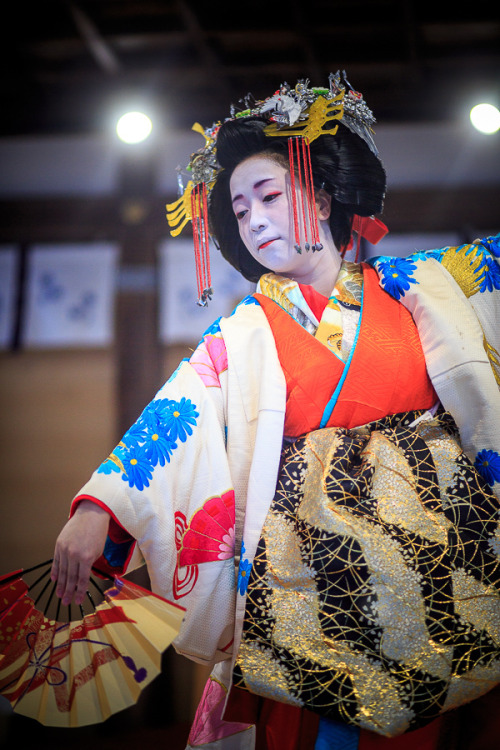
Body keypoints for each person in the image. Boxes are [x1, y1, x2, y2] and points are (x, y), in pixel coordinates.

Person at [51, 72, 500, 750]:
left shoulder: (426, 287)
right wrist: (97, 510)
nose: (253, 218)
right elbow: (174, 419)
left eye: (268, 194)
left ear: (319, 197)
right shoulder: (243, 335)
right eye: (239, 209)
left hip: (447, 571)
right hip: (311, 589)